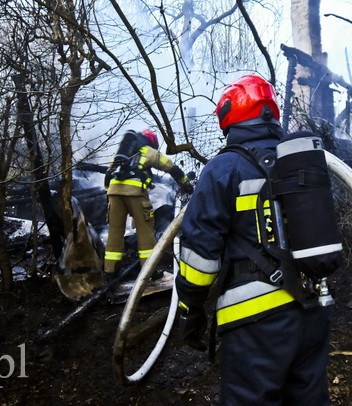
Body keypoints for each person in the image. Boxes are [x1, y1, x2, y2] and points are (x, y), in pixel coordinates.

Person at [175, 74, 332, 405]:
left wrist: (191, 308)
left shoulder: (223, 168)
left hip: (256, 321)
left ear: (229, 116)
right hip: (312, 310)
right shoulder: (298, 161)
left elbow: (199, 257)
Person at [103, 128, 193, 280]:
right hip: (135, 193)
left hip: (113, 193)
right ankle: (149, 272)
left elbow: (108, 175)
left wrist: (109, 196)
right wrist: (186, 184)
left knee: (115, 232)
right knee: (146, 232)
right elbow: (171, 166)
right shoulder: (147, 151)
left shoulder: (122, 154)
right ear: (151, 141)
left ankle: (110, 271)